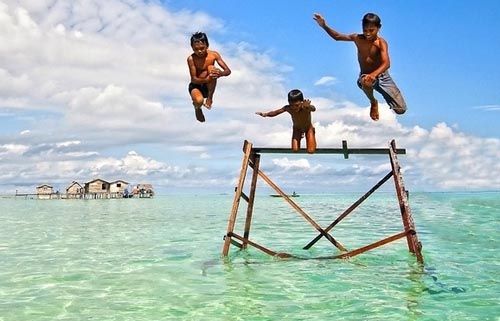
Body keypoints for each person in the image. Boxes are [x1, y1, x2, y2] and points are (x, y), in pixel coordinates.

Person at [313, 12, 406, 121]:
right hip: (366, 76)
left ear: (379, 28)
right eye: (365, 30)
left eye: (371, 30)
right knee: (365, 80)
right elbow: (337, 37)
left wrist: (374, 75)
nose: (367, 33)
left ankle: (385, 94)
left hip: (382, 76)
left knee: (401, 109)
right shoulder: (357, 38)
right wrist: (324, 26)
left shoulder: (381, 43)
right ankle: (373, 102)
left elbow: (387, 63)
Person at [187, 32, 231, 122]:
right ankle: (197, 107)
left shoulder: (214, 55)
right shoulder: (191, 59)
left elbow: (228, 71)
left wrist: (221, 73)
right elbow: (194, 79)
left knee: (211, 68)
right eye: (196, 49)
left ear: (207, 46)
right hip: (196, 85)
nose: (199, 51)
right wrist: (207, 79)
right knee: (199, 101)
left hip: (208, 86)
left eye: (202, 48)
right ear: (192, 48)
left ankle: (210, 98)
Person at [256, 89, 317, 154]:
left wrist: (308, 106)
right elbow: (276, 112)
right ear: (289, 103)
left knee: (311, 151)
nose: (294, 107)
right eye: (291, 105)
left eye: (297, 105)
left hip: (308, 128)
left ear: (301, 102)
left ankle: (312, 132)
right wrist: (266, 114)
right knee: (295, 149)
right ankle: (300, 135)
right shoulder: (288, 108)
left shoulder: (305, 107)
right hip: (297, 128)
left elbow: (313, 109)